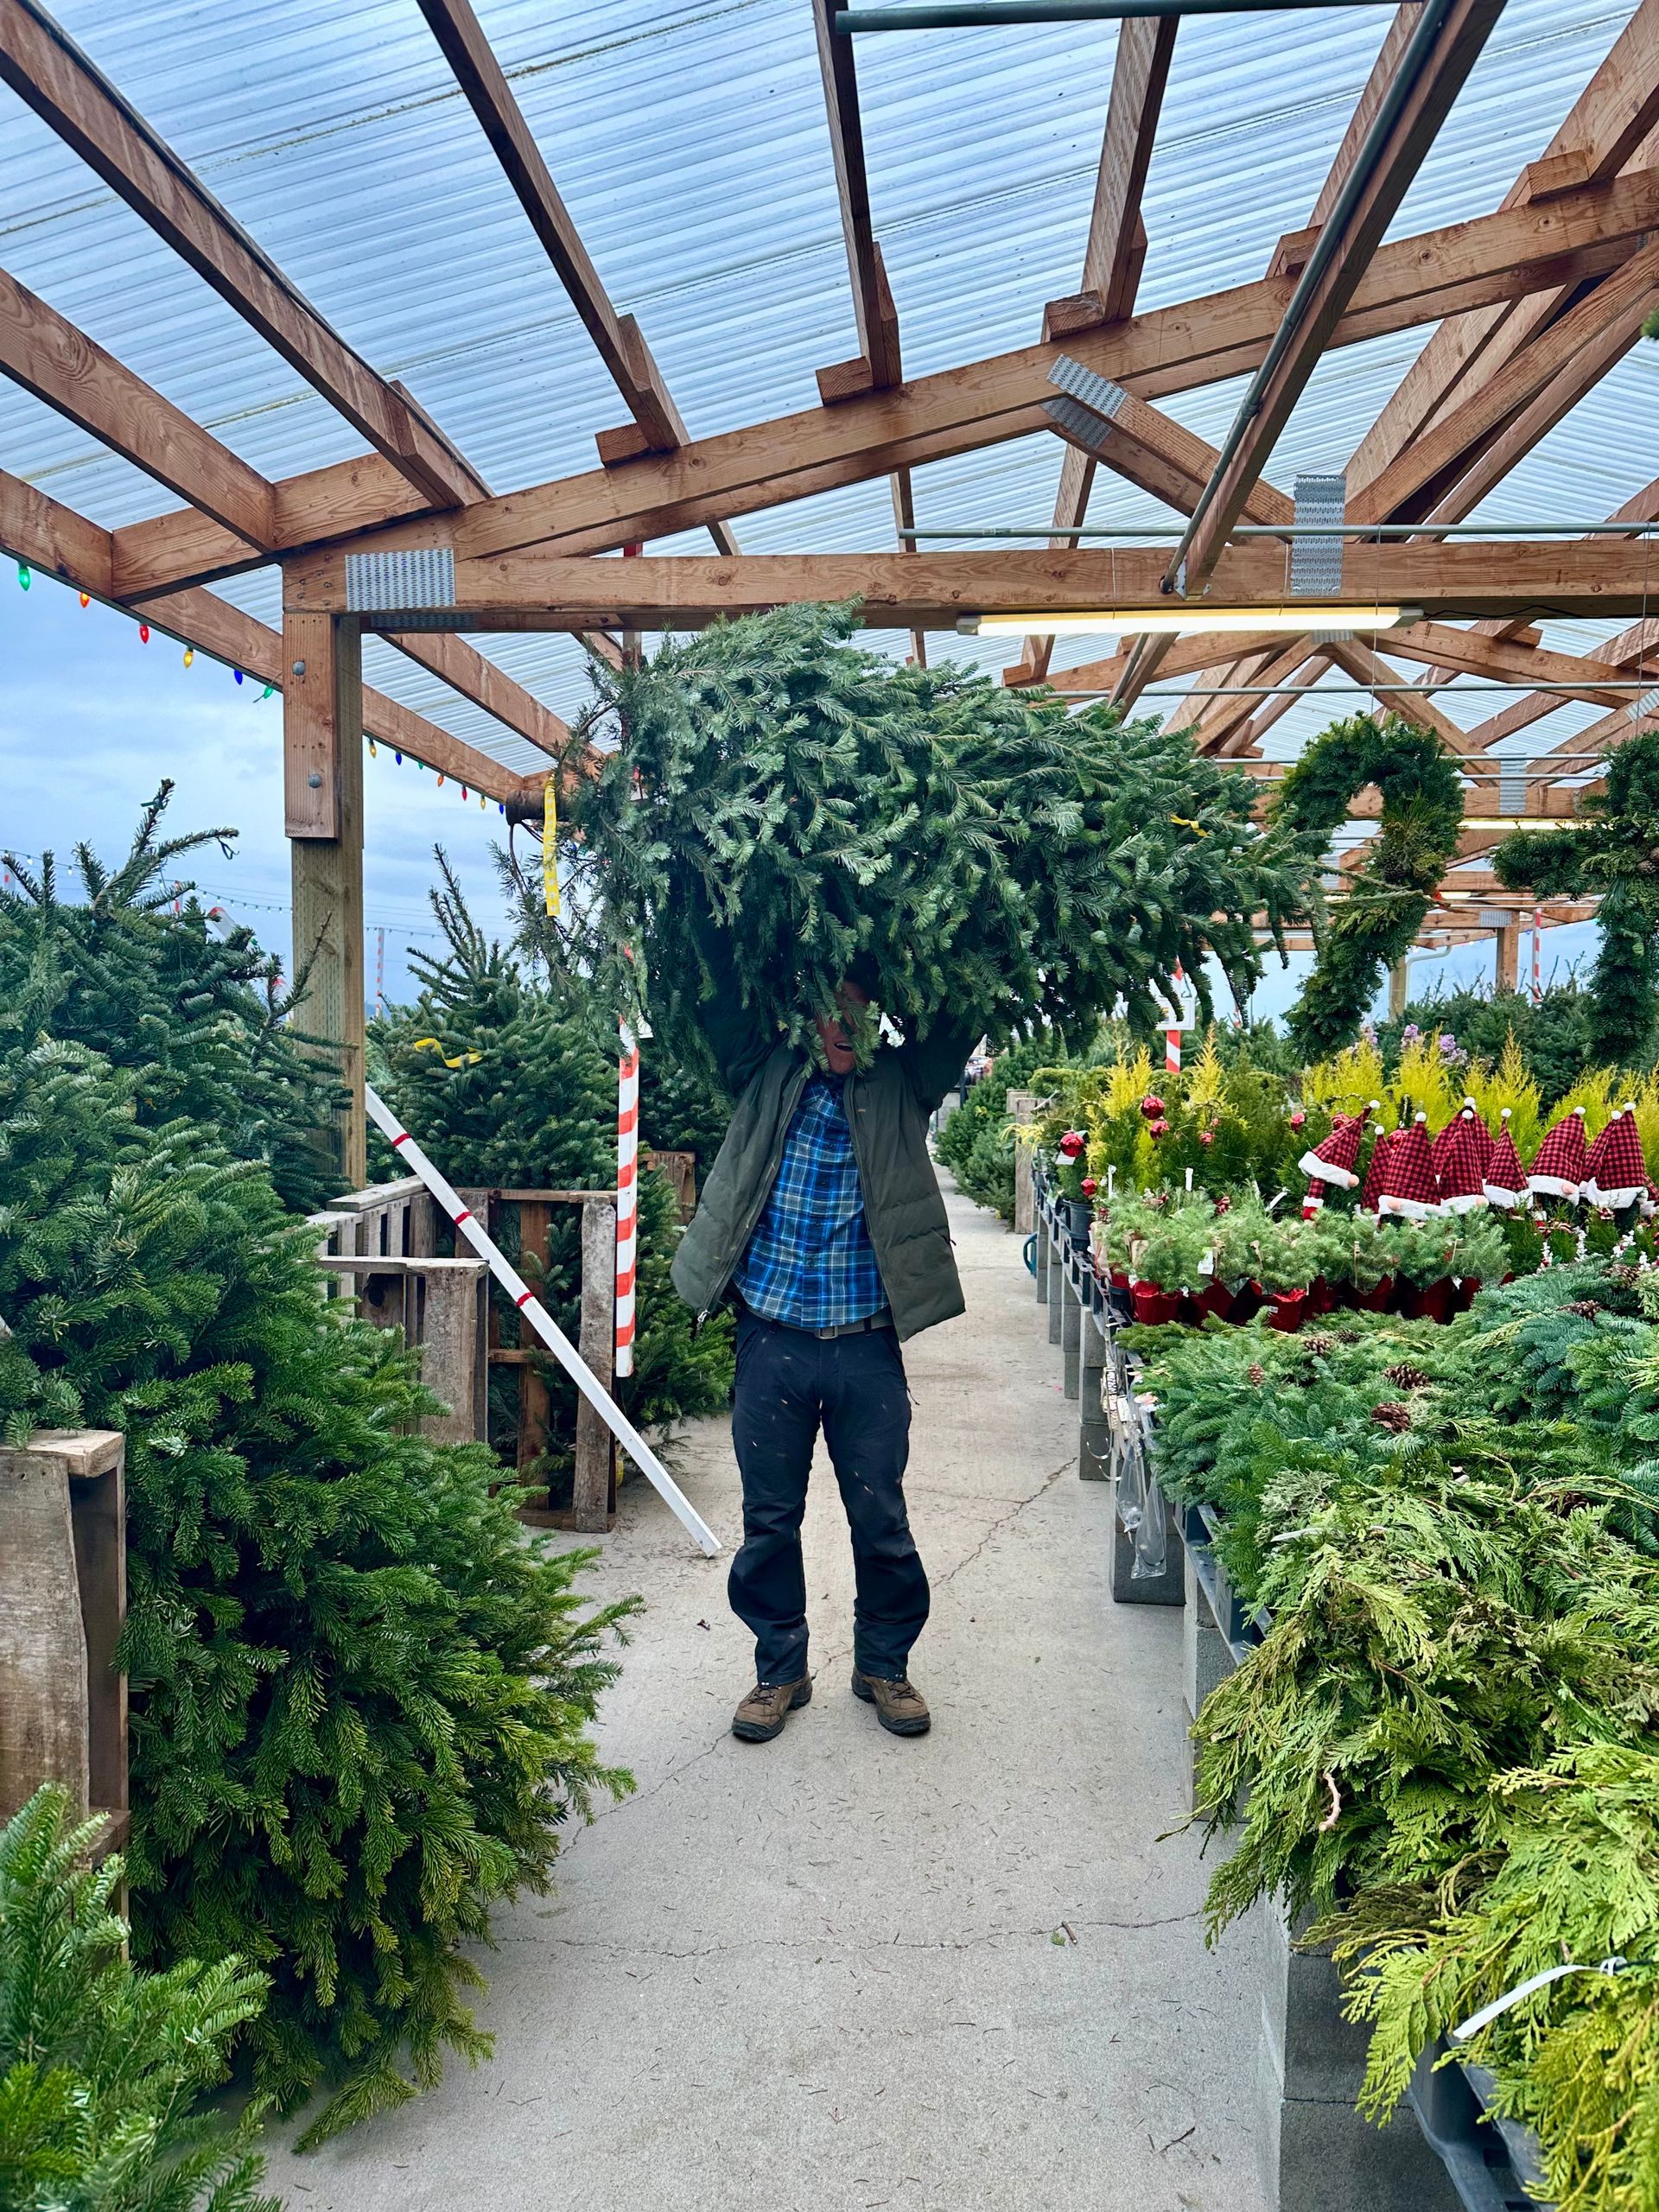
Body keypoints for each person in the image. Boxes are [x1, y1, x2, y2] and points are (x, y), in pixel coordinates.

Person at [670, 936, 981, 1745]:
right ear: (806, 1014)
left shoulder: (903, 1085)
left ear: (879, 1018)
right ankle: (780, 1670)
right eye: (830, 1008)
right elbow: (714, 993)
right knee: (769, 1520)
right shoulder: (763, 1072)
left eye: (860, 1009)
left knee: (881, 1518)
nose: (844, 1023)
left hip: (866, 1347)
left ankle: (883, 1663)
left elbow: (966, 1010)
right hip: (771, 1340)